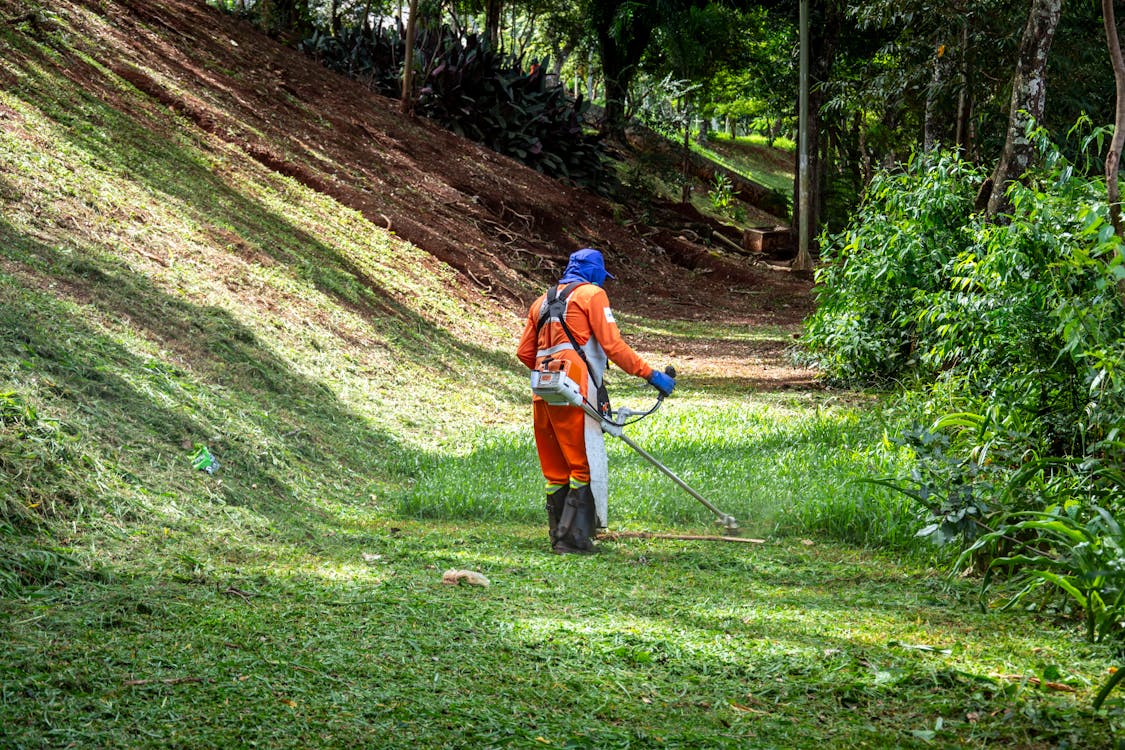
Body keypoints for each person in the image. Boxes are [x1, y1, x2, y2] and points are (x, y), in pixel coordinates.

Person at [517, 248, 675, 554]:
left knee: (554, 470)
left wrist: (551, 372)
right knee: (581, 464)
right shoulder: (592, 295)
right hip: (575, 391)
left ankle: (559, 533)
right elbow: (613, 346)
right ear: (594, 274)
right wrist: (651, 374)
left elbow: (525, 353)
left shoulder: (541, 301)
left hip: (542, 391)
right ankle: (573, 540)